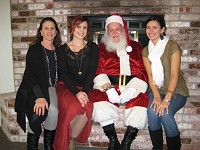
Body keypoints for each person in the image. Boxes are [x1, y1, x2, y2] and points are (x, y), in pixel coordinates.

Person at [91, 14, 149, 150]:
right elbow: (97, 70)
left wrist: (134, 89)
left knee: (142, 102)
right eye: (111, 30)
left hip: (132, 86)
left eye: (118, 29)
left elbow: (143, 70)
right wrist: (108, 88)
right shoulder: (101, 48)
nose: (114, 32)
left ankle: (126, 143)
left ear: (123, 30)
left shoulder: (136, 47)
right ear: (107, 33)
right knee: (98, 102)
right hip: (109, 86)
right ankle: (113, 140)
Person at [142, 16, 190, 150]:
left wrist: (166, 99)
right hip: (156, 89)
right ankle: (157, 147)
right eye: (148, 27)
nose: (150, 31)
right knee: (152, 111)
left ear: (162, 29)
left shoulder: (172, 46)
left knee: (165, 113)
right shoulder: (145, 51)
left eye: (155, 27)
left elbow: (174, 75)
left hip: (176, 90)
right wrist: (157, 96)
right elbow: (150, 76)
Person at [15, 17, 62, 150]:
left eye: (52, 28)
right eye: (46, 28)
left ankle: (48, 145)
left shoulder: (59, 51)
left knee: (53, 110)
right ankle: (32, 146)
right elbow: (30, 75)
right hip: (33, 87)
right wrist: (40, 97)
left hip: (51, 87)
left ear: (56, 32)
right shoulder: (34, 49)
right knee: (36, 109)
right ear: (40, 32)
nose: (49, 31)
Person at [53, 15, 99, 150]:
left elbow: (92, 72)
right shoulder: (62, 50)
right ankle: (66, 141)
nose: (82, 30)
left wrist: (84, 91)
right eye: (79, 27)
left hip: (85, 87)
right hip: (67, 87)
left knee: (87, 105)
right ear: (72, 28)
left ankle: (72, 138)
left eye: (85, 27)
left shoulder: (93, 47)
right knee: (74, 105)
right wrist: (76, 92)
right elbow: (63, 74)